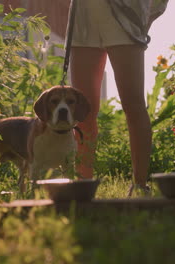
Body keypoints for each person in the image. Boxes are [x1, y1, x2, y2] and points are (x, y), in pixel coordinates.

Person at [68, 0, 168, 196]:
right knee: (82, 112)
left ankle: (139, 185)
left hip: (126, 16)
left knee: (133, 104)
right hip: (83, 19)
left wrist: (148, 14)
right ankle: (82, 187)